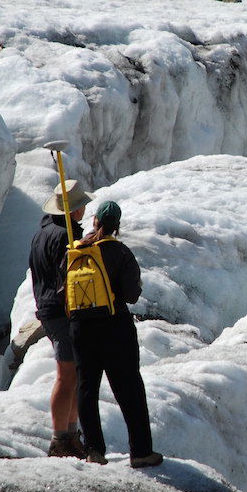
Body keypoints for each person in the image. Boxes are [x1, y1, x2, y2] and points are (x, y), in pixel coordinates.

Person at [70, 200, 162, 468]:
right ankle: (141, 452)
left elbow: (63, 291)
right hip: (114, 327)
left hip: (80, 327)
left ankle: (94, 450)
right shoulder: (120, 253)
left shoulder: (76, 252)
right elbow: (132, 295)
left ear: (94, 220)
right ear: (116, 225)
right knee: (129, 387)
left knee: (87, 387)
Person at [29, 179, 91, 459]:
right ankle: (59, 439)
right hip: (62, 312)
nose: (85, 209)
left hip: (48, 308)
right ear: (73, 210)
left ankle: (70, 435)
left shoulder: (42, 234)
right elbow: (68, 278)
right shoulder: (65, 236)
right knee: (67, 376)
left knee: (74, 375)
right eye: (81, 205)